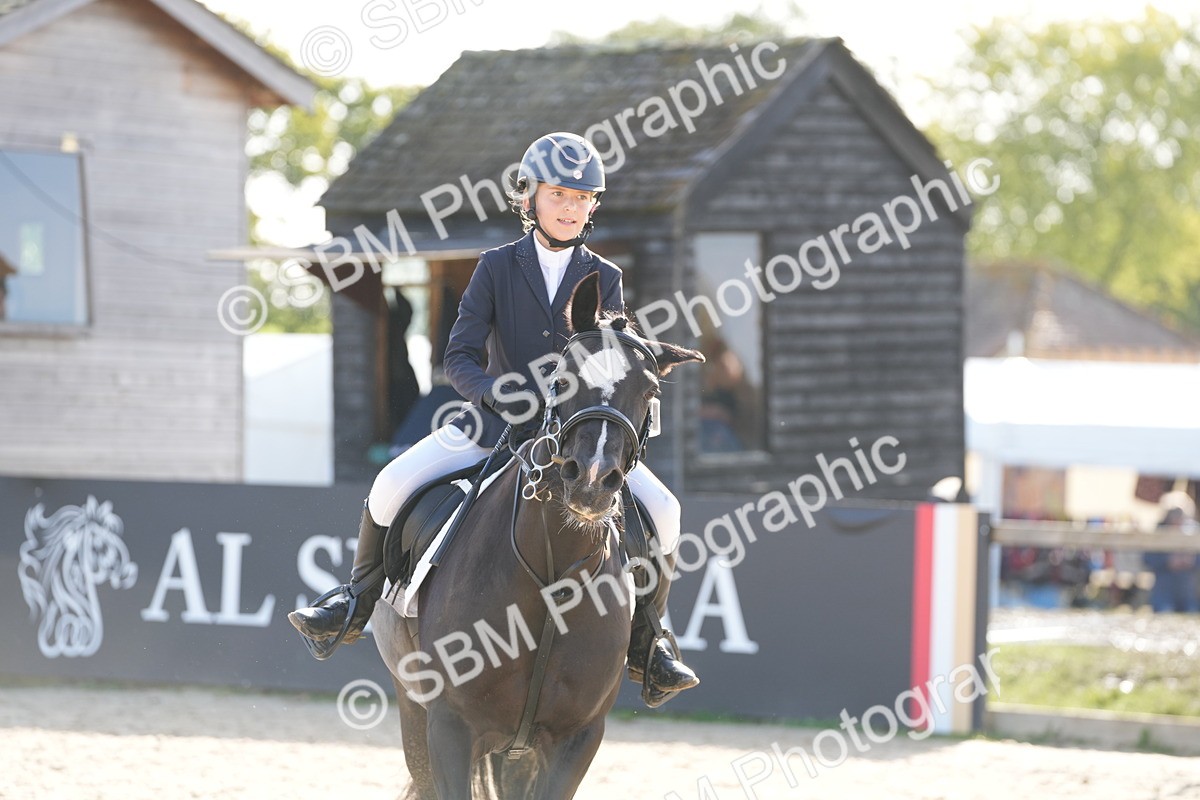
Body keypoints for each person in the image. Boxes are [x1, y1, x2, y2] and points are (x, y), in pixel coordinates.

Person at [289, 131, 699, 701]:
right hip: (495, 428)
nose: (572, 208)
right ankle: (352, 602)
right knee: (390, 483)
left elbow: (609, 355)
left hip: (575, 436)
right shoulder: (495, 267)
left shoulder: (605, 275)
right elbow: (457, 355)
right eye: (560, 195)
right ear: (529, 198)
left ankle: (651, 644)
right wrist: (491, 393)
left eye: (583, 199)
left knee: (666, 510)